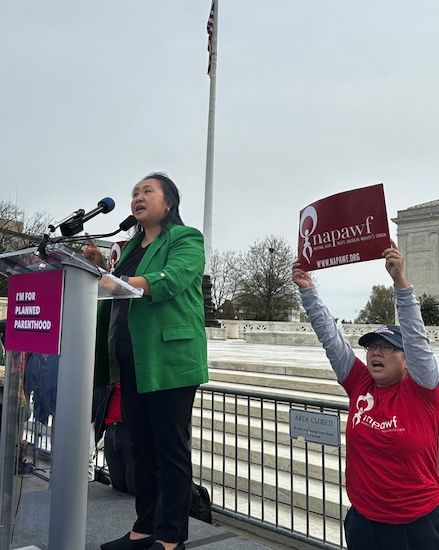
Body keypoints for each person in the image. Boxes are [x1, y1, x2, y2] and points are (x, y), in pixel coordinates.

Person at [87, 172, 208, 550]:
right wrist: (99, 270)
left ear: (168, 202)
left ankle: (171, 536)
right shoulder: (131, 246)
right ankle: (144, 527)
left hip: (170, 361)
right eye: (134, 192)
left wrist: (119, 281)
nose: (138, 197)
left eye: (147, 191)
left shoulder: (186, 239)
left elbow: (172, 279)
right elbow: (115, 291)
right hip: (132, 361)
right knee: (142, 448)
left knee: (170, 450)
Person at [292, 240, 439, 550]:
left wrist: (399, 282)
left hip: (417, 526)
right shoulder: (360, 383)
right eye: (372, 346)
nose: (376, 352)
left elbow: (415, 335)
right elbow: (332, 341)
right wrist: (308, 290)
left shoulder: (423, 389)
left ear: (407, 358)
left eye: (387, 347)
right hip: (364, 522)